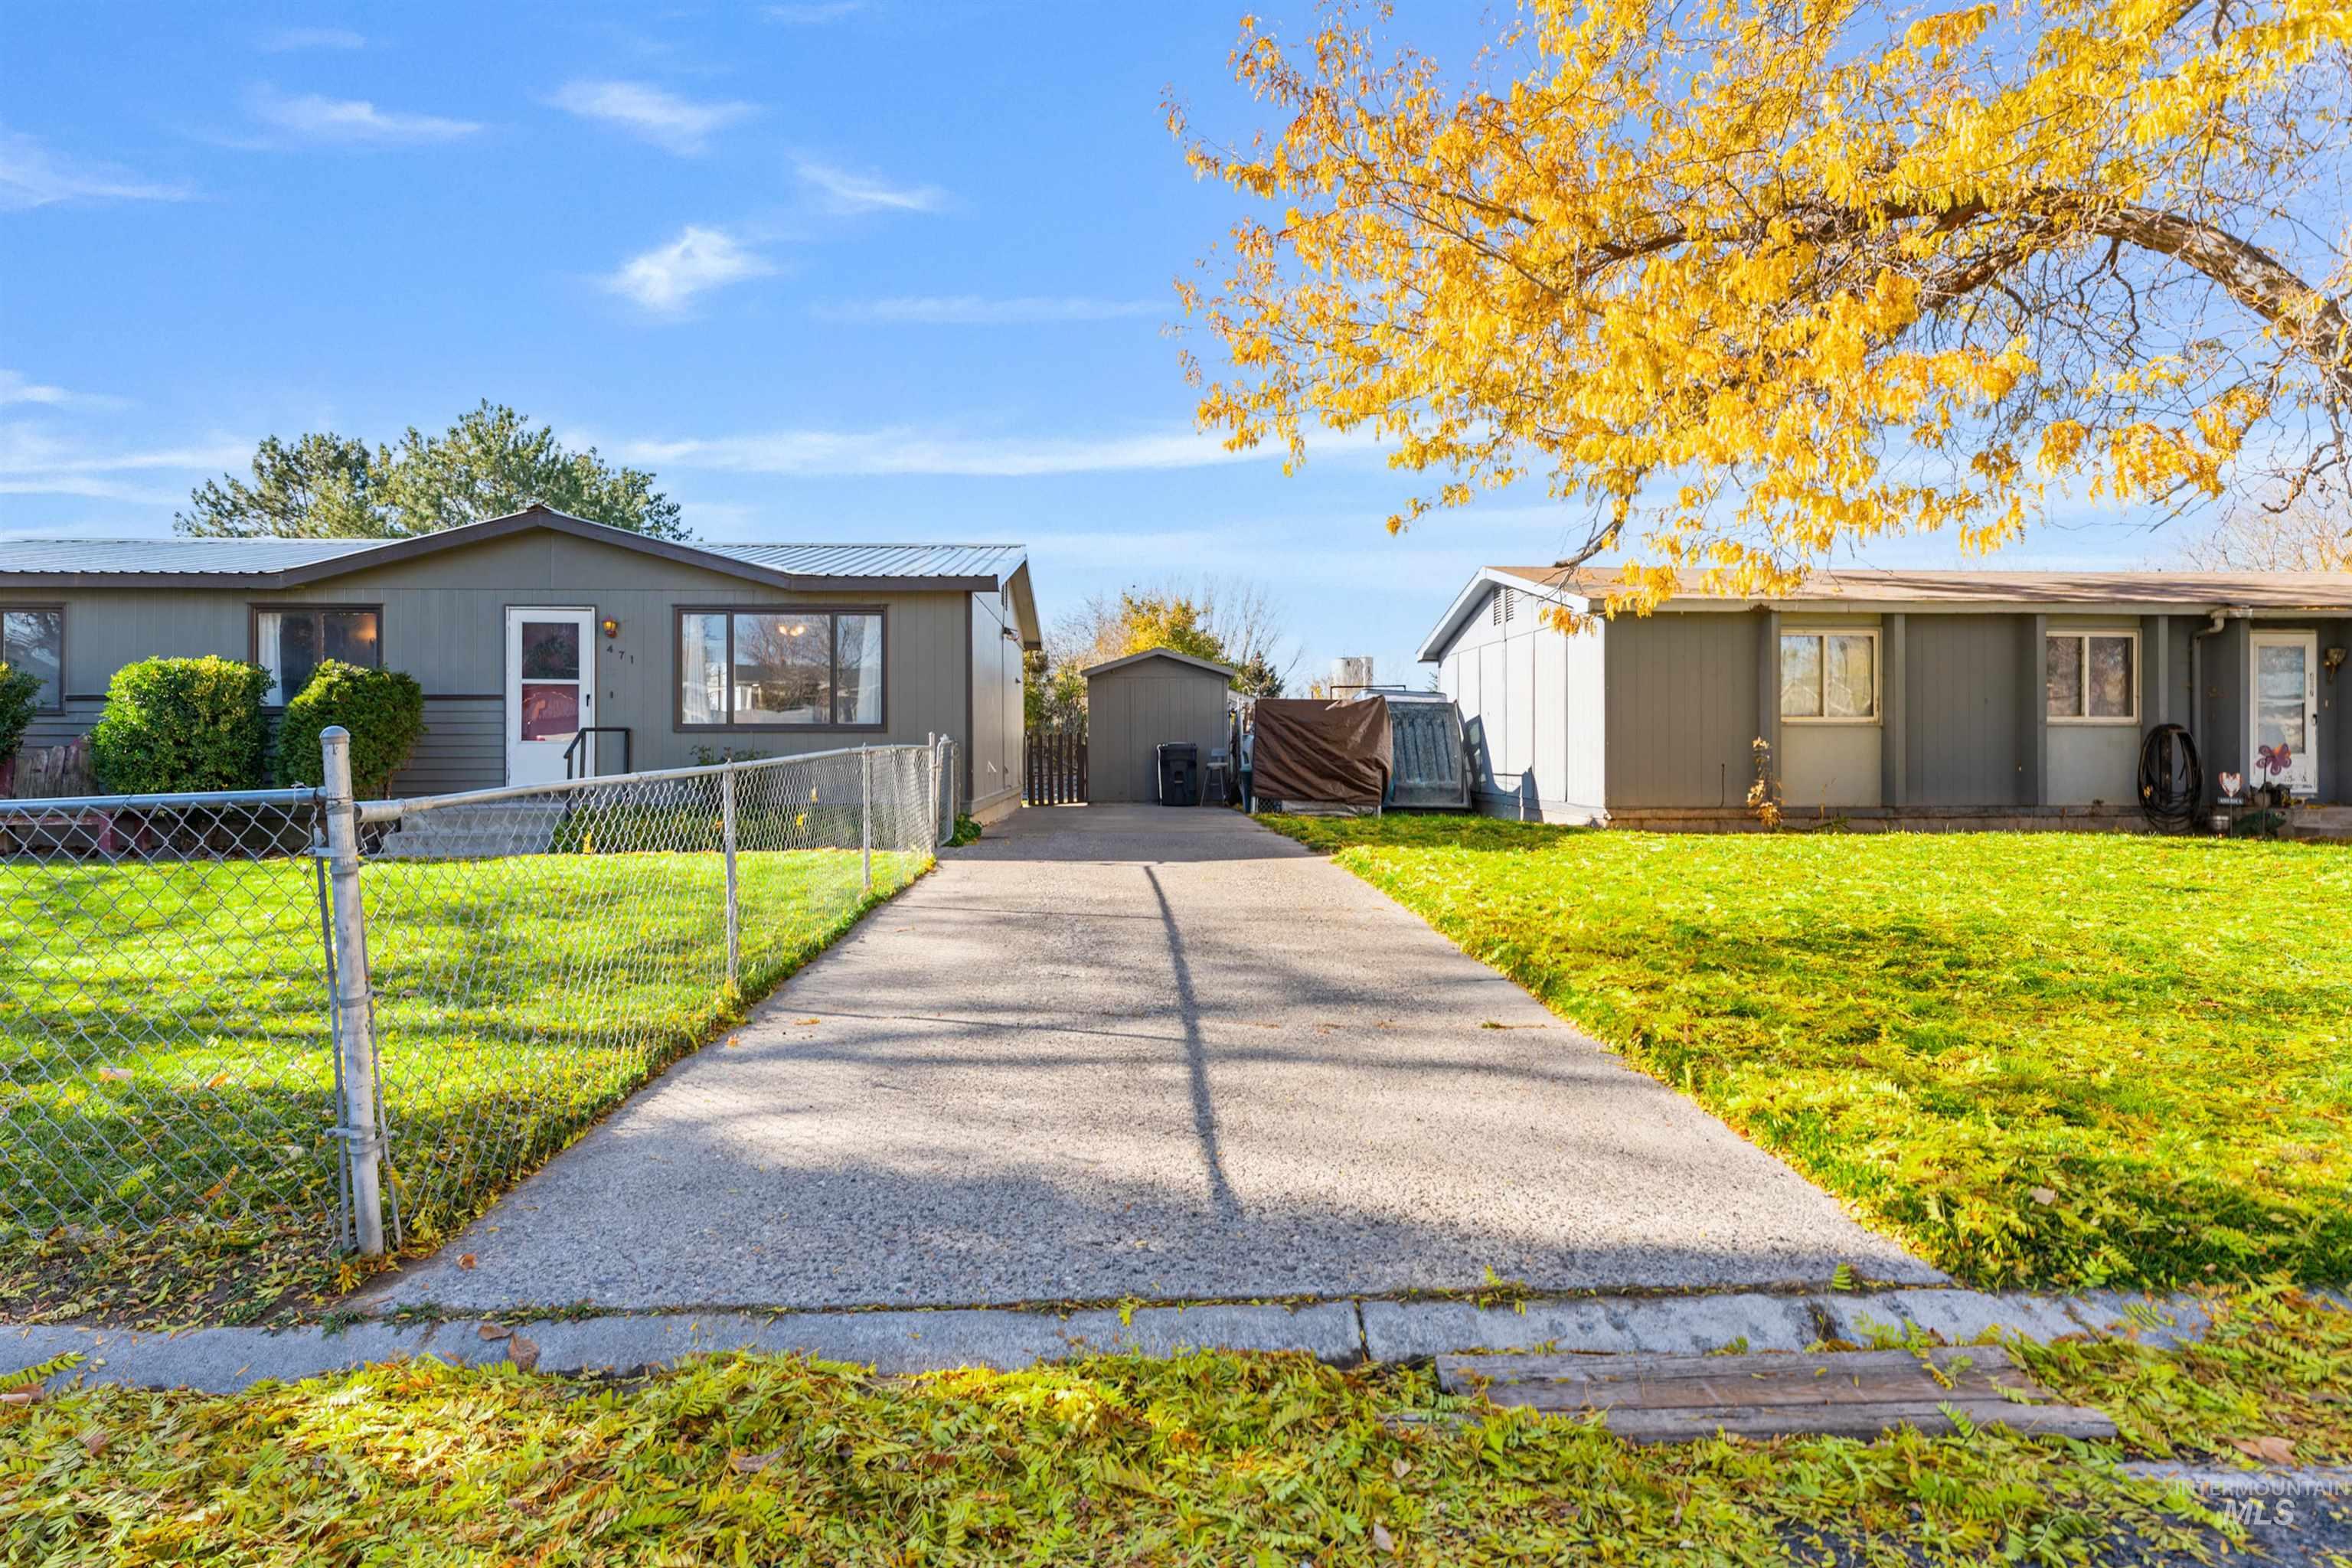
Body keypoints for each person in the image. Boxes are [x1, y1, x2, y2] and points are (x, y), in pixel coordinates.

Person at [1238, 723, 1256, 813]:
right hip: (1252, 769)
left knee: (1247, 788)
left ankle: (1248, 808)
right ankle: (1249, 808)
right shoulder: (1252, 740)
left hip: (1247, 769)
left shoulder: (1249, 740)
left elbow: (1247, 756)